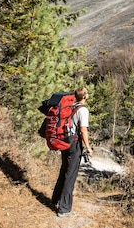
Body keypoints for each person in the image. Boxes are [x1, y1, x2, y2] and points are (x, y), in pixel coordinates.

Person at [51, 86, 93, 218]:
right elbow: (83, 130)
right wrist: (88, 147)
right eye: (87, 93)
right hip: (75, 145)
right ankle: (64, 209)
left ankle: (55, 200)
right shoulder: (83, 110)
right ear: (85, 96)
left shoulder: (71, 106)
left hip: (65, 142)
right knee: (70, 176)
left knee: (64, 171)